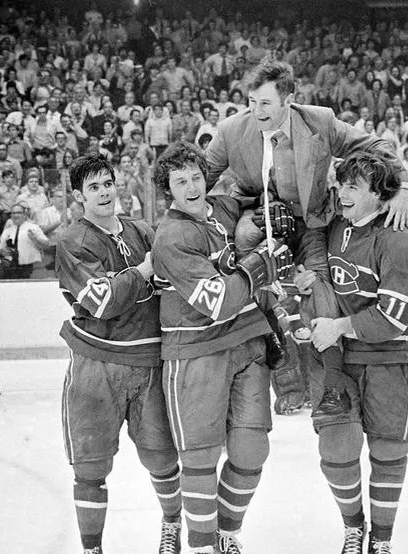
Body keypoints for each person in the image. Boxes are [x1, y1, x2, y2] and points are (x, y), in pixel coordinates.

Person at [205, 59, 408, 418]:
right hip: (257, 218)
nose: (256, 111)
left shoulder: (319, 120)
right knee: (249, 282)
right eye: (251, 101)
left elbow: (375, 145)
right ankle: (282, 373)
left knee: (320, 288)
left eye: (265, 103)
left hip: (310, 221)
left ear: (288, 99)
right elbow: (198, 176)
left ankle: (331, 386)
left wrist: (403, 186)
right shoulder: (230, 130)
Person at [151, 142, 292, 554]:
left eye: (196, 176)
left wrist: (259, 212)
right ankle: (199, 545)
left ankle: (226, 534)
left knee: (252, 450)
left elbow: (260, 190)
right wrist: (259, 262)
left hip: (246, 341)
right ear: (169, 191)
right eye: (181, 182)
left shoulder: (221, 208)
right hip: (195, 352)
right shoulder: (172, 237)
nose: (192, 186)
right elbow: (216, 302)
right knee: (200, 457)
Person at [295, 151, 408, 554]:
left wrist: (340, 326)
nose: (342, 193)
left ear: (380, 195)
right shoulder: (336, 230)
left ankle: (381, 539)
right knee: (336, 450)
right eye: (342, 184)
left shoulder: (401, 243)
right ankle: (354, 526)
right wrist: (305, 283)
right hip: (338, 360)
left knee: (387, 451)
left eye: (353, 186)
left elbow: (395, 316)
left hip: (387, 359)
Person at [56, 153, 182, 554]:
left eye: (107, 183)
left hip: (148, 360)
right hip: (97, 363)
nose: (104, 192)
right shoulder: (72, 241)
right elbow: (103, 301)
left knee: (163, 460)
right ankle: (92, 548)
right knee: (90, 469)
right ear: (79, 196)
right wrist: (144, 272)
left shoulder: (141, 230)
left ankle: (172, 528)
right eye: (93, 187)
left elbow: (171, 280)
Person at [0, 203, 51, 279]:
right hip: (12, 268)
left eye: (19, 213)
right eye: (13, 213)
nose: (16, 215)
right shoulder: (7, 231)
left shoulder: (34, 228)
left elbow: (46, 246)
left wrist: (35, 239)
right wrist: (4, 251)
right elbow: (0, 249)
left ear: (25, 215)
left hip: (32, 267)